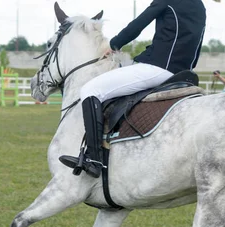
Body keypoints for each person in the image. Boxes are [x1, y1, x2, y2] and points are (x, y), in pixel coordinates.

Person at [60, 0, 207, 177]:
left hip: (157, 68)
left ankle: (93, 158)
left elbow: (138, 25)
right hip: (183, 72)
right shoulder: (199, 5)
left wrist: (113, 45)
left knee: (90, 90)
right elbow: (197, 43)